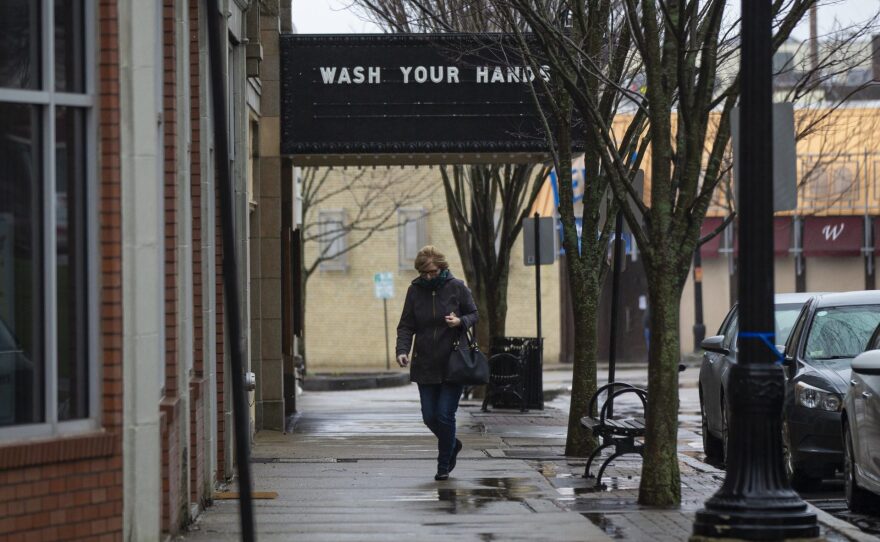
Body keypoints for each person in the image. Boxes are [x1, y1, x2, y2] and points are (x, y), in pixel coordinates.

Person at [396, 245, 479, 481]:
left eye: (433, 272)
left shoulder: (456, 287)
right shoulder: (414, 291)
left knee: (444, 415)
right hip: (425, 363)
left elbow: (474, 314)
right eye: (424, 273)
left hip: (453, 362)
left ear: (442, 267)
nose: (428, 277)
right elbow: (406, 325)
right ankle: (453, 444)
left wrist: (459, 321)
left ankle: (443, 466)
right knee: (429, 417)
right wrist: (403, 350)